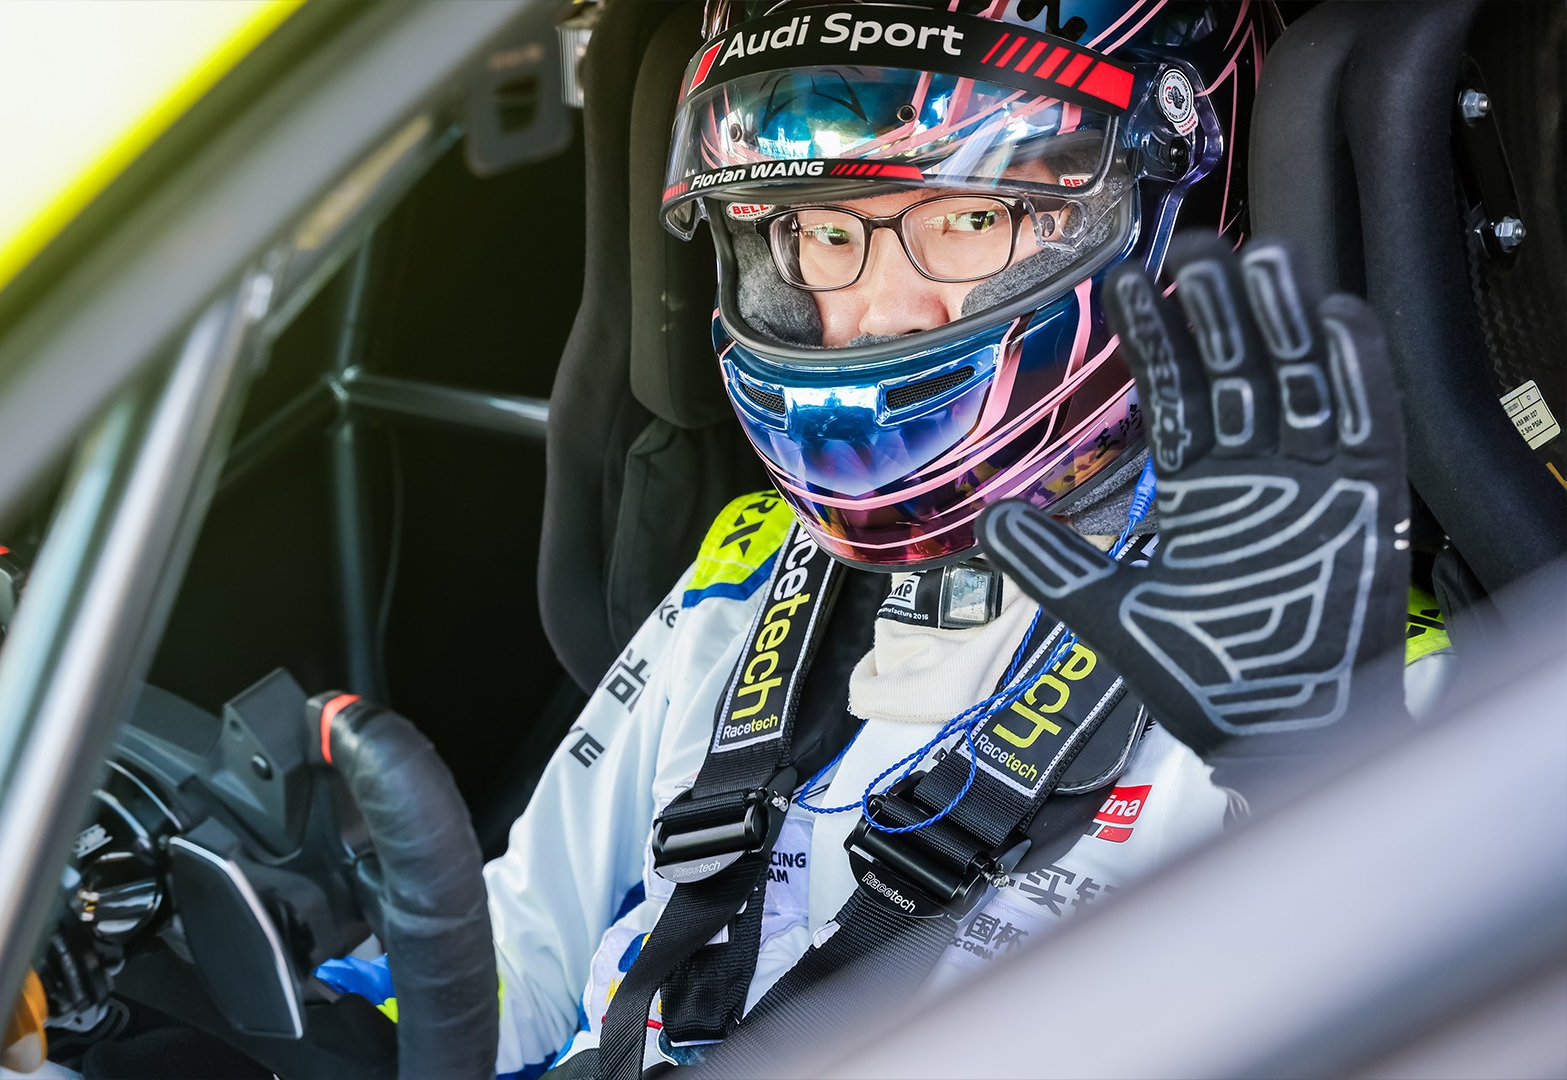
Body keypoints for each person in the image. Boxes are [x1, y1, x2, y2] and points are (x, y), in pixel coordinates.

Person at [323, 2, 1417, 1075]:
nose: (882, 313)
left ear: (1154, 203)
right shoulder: (751, 562)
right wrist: (328, 1034)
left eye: (971, 220)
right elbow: (514, 966)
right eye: (827, 232)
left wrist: (1316, 785)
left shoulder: (1312, 656)